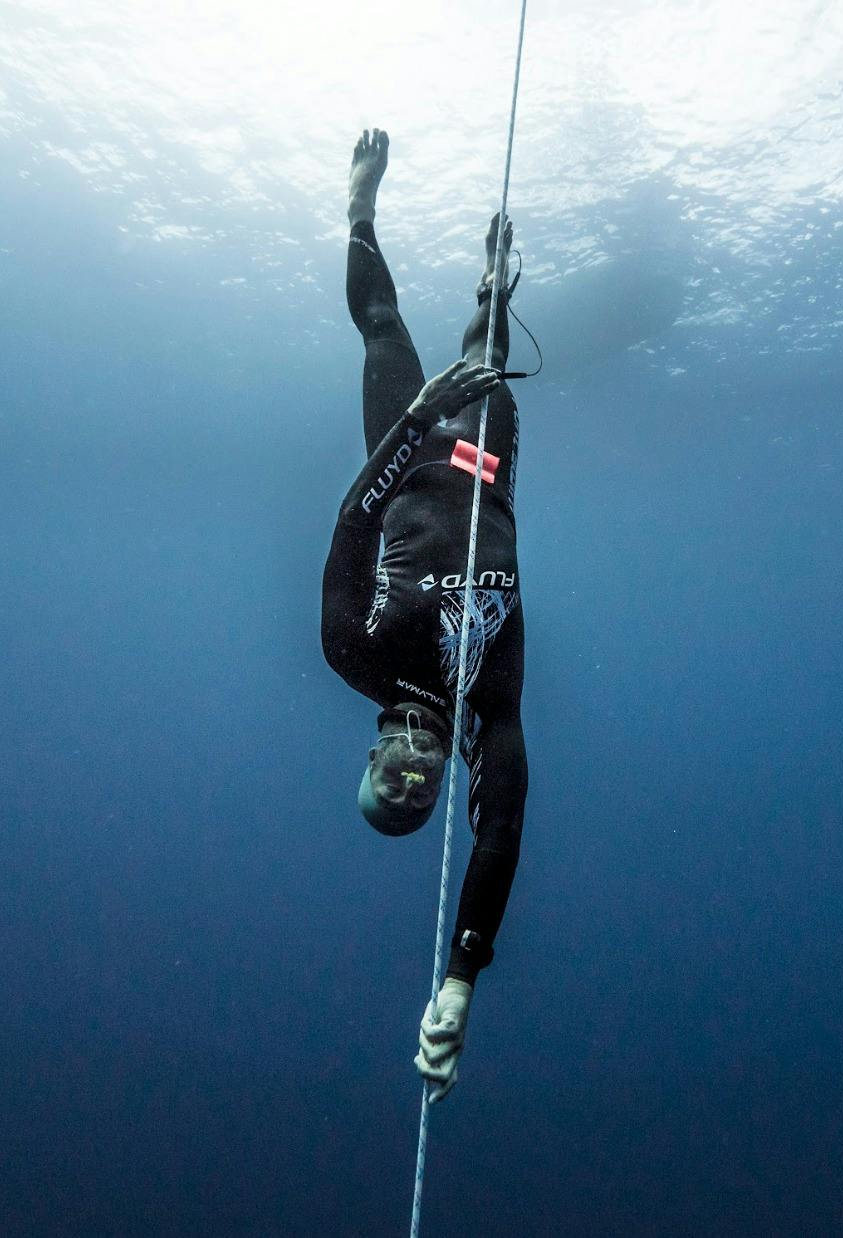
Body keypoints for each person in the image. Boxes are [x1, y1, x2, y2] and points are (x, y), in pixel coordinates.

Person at [321, 129, 528, 1103]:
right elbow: (504, 825)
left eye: (387, 785)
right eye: (419, 796)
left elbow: (352, 516)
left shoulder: (354, 651)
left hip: (407, 452)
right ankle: (494, 279)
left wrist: (413, 423)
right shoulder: (486, 704)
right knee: (489, 333)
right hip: (485, 464)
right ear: (438, 787)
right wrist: (459, 981)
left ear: (370, 759)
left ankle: (358, 205)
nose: (409, 776)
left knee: (383, 323)